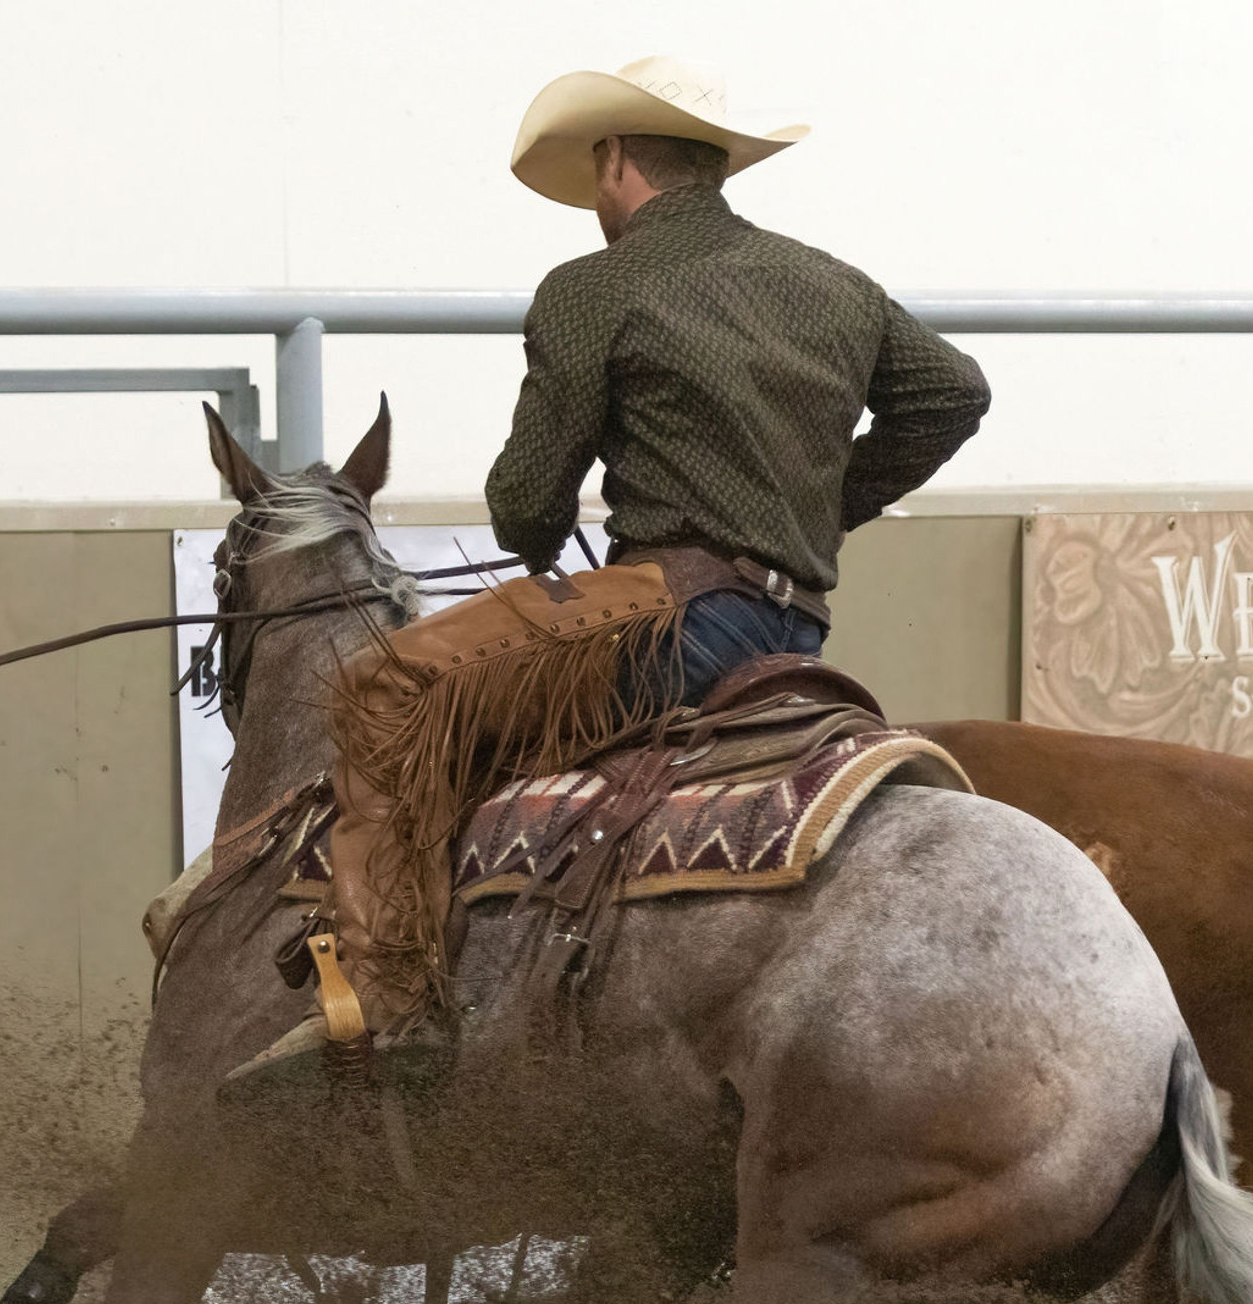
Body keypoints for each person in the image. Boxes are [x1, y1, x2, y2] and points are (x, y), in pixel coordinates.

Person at [239, 55, 990, 1091]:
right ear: (710, 168)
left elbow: (525, 503)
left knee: (382, 687)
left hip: (662, 620)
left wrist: (548, 529)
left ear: (616, 163)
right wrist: (826, 505)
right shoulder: (834, 285)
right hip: (793, 635)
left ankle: (388, 1000)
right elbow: (953, 393)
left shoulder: (597, 288)